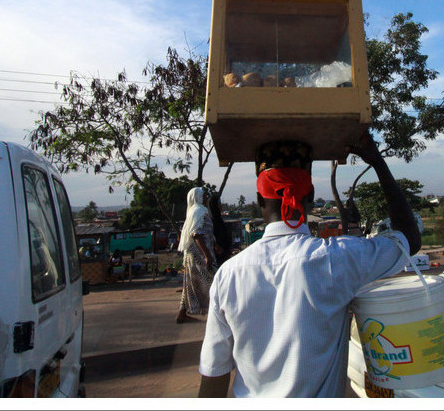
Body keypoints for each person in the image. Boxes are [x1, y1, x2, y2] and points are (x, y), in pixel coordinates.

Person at [198, 133, 422, 397]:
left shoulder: (228, 274)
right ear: (312, 196)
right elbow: (408, 239)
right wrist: (377, 162)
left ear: (259, 200)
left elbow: (214, 372)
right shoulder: (338, 258)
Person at [176, 186, 217, 324]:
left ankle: (182, 312)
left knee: (189, 283)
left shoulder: (193, 211)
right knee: (212, 281)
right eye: (204, 196)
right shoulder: (200, 210)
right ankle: (216, 312)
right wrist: (207, 255)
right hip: (199, 253)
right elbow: (196, 234)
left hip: (194, 253)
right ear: (197, 197)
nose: (206, 198)